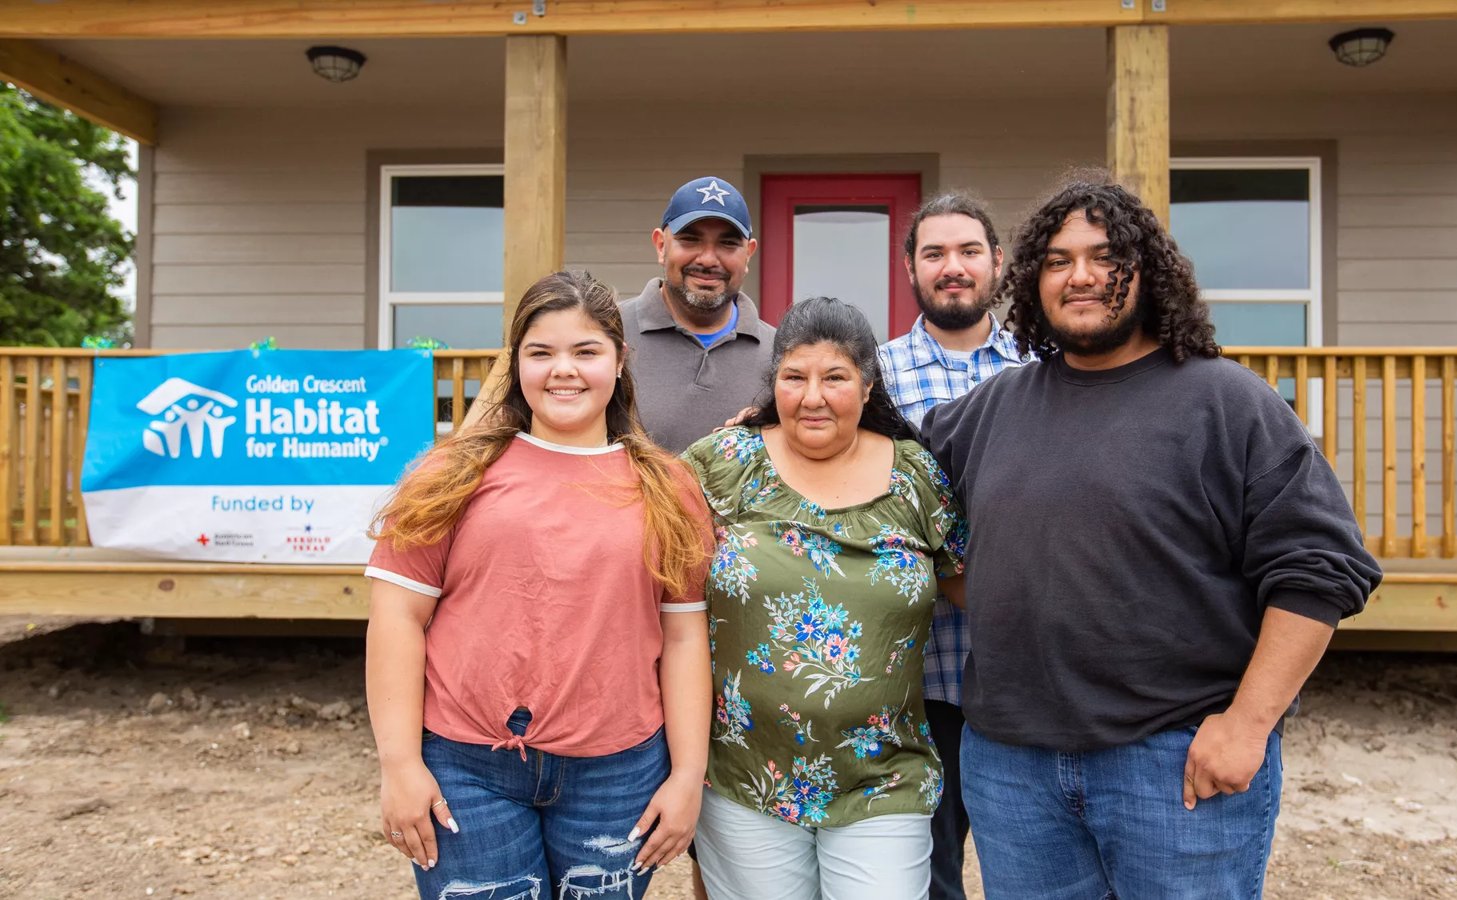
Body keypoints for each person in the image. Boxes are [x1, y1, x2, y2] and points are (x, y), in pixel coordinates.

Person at [920, 175, 1383, 900]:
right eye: (1059, 260)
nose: (1081, 276)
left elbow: (1321, 568)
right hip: (1013, 767)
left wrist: (1248, 724)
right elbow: (889, 478)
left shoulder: (1225, 401)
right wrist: (769, 424)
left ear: (1148, 271)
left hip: (1172, 763)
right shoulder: (998, 404)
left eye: (1105, 257)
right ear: (1033, 278)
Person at [364, 270, 714, 899]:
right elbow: (397, 619)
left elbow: (684, 636)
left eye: (586, 351)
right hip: (466, 766)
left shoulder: (668, 486)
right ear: (515, 362)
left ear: (619, 359)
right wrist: (399, 764)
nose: (564, 371)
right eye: (541, 352)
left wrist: (688, 774)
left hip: (620, 771)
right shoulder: (452, 475)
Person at [682, 296, 968, 900]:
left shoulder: (916, 475)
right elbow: (648, 579)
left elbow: (976, 589)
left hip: (884, 776)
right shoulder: (720, 464)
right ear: (774, 383)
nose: (812, 396)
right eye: (794, 377)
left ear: (867, 386)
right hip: (744, 774)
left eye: (834, 377)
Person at [876, 191, 1023, 900]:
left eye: (969, 251)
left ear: (997, 262)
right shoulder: (873, 376)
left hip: (1029, 668)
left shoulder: (1045, 365)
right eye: (934, 253)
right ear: (910, 269)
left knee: (1029, 863)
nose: (953, 267)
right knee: (926, 876)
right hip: (921, 673)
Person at [622, 175, 777, 454]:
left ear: (749, 254)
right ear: (661, 246)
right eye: (690, 240)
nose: (707, 259)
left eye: (727, 244)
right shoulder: (606, 334)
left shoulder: (782, 354)